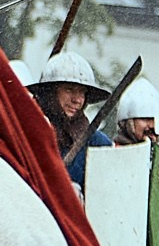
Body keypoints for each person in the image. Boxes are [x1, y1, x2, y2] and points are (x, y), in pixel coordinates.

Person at [29, 50, 113, 186]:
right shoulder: (29, 132)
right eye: (69, 89)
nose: (77, 100)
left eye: (82, 92)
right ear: (51, 92)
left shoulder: (96, 143)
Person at [111, 76, 159, 147]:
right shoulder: (111, 152)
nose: (152, 126)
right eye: (145, 119)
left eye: (157, 121)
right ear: (128, 123)